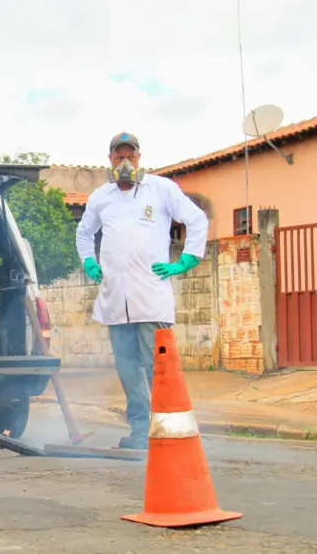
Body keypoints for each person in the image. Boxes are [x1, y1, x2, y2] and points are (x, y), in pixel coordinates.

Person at [75, 133, 208, 450]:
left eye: (130, 157)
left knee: (156, 368)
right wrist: (89, 262)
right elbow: (83, 233)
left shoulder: (161, 189)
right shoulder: (100, 197)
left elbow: (197, 219)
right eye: (118, 156)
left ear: (139, 158)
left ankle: (166, 429)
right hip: (115, 300)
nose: (124, 162)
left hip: (150, 299)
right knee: (127, 370)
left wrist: (186, 259)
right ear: (110, 160)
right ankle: (139, 431)